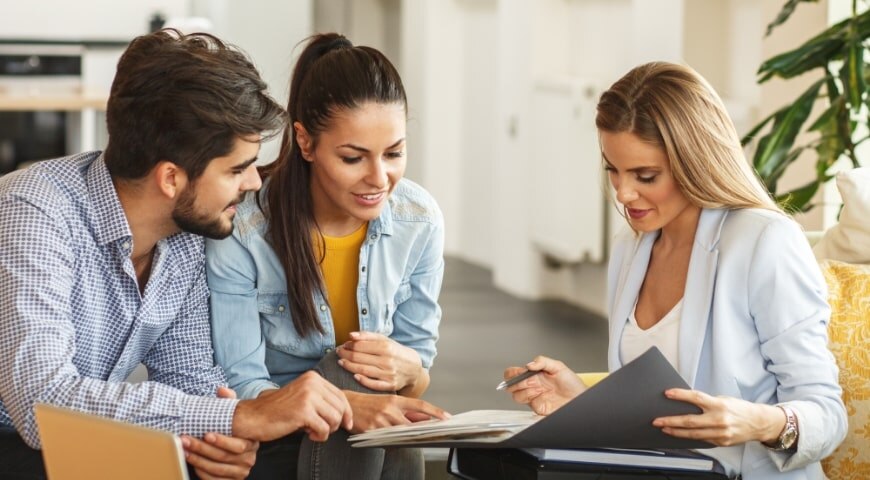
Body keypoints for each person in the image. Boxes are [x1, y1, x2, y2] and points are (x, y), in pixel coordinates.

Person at [0, 29, 353, 480]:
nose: (253, 184)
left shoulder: (184, 235)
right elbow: (42, 404)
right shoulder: (33, 212)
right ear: (171, 178)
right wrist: (237, 418)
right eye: (237, 169)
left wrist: (222, 443)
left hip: (71, 443)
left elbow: (188, 378)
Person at [504, 62, 846, 479]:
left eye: (645, 176)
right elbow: (655, 409)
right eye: (613, 169)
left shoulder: (764, 242)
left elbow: (828, 416)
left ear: (694, 161)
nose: (624, 193)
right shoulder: (631, 248)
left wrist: (759, 422)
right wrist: (581, 400)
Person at [205, 33, 448, 479]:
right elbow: (242, 386)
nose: (380, 178)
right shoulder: (244, 229)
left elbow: (416, 378)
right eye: (354, 158)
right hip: (274, 440)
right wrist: (350, 404)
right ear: (305, 141)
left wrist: (410, 369)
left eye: (394, 153)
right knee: (346, 370)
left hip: (367, 443)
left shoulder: (420, 220)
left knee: (390, 410)